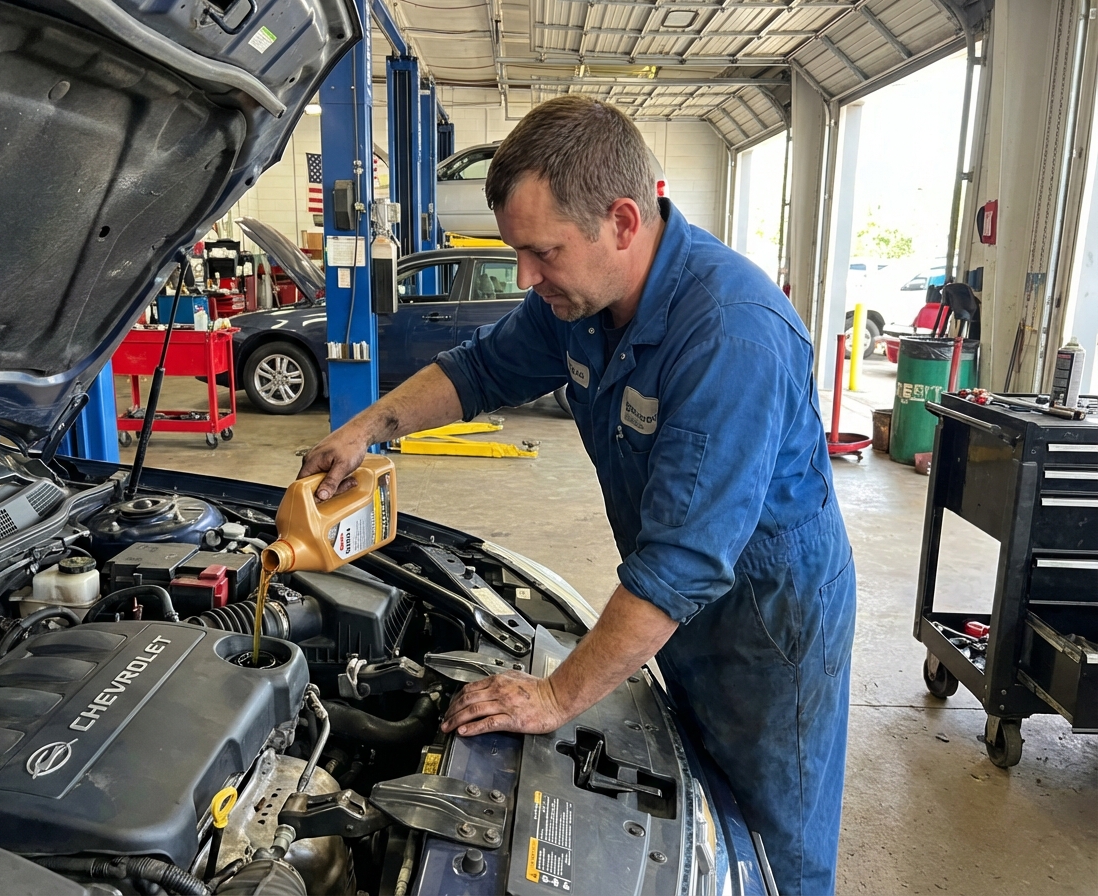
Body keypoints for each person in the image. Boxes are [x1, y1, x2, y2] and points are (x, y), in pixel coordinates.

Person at [298, 95, 856, 896]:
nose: (526, 277)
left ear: (624, 222)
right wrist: (371, 427)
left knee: (768, 845)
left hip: (768, 627)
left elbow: (681, 563)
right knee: (696, 798)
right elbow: (480, 369)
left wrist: (556, 694)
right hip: (683, 598)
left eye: (542, 252)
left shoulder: (731, 335)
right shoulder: (581, 301)